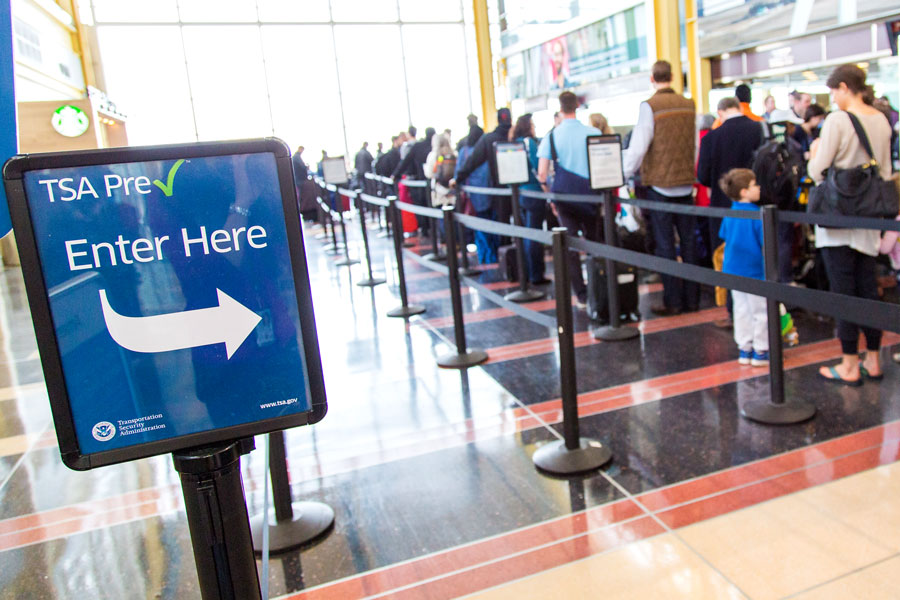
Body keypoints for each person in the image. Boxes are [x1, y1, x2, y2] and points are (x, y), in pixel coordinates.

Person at [807, 63, 891, 385]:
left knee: (843, 293)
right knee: (868, 291)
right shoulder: (881, 119)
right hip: (868, 217)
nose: (833, 98)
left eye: (833, 92)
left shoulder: (837, 120)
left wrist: (814, 152)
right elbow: (882, 171)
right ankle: (873, 360)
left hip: (838, 217)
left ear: (844, 87)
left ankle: (848, 364)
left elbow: (818, 169)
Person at [623, 60, 700, 316]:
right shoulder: (690, 105)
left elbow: (639, 146)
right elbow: (694, 146)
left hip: (661, 186)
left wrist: (623, 172)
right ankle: (693, 299)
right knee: (689, 243)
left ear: (652, 79)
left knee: (666, 246)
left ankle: (673, 301)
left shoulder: (650, 106)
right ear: (673, 76)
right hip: (686, 184)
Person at [536, 91, 602, 304]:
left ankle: (581, 295)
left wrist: (551, 199)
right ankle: (598, 287)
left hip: (564, 198)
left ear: (560, 108)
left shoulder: (551, 136)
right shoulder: (593, 132)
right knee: (595, 243)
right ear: (577, 106)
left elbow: (543, 175)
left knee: (570, 247)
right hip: (591, 197)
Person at [717, 168, 769, 367]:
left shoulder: (730, 213)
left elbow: (725, 236)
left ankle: (744, 348)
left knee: (741, 309)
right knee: (760, 310)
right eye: (754, 184)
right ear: (744, 192)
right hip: (754, 269)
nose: (759, 188)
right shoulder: (758, 215)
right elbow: (765, 241)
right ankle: (761, 350)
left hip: (733, 268)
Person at [698, 97, 764, 249]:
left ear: (720, 112)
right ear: (738, 108)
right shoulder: (759, 129)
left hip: (721, 203)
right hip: (755, 202)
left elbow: (703, 175)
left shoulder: (710, 138)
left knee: (724, 252)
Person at [453, 109, 514, 263]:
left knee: (502, 225)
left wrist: (458, 178)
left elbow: (472, 162)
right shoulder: (515, 136)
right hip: (523, 191)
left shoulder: (488, 139)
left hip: (499, 193)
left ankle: (507, 262)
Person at [510, 113, 550, 284]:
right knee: (534, 234)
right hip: (534, 193)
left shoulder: (514, 143)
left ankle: (528, 272)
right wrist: (547, 190)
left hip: (521, 193)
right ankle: (536, 274)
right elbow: (538, 169)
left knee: (528, 232)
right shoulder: (529, 143)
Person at [423, 133, 456, 207]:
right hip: (452, 190)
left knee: (441, 215)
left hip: (439, 191)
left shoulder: (433, 155)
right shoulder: (453, 153)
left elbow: (429, 174)